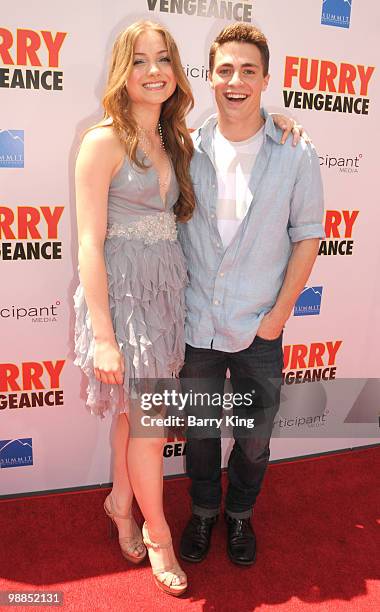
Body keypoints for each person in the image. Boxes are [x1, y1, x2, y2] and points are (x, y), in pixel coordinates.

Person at [74, 19, 305, 596]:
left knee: (135, 418)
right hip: (126, 301)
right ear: (122, 72)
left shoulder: (179, 137)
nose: (153, 71)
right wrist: (103, 335)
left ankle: (121, 504)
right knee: (151, 427)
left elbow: (244, 137)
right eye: (139, 61)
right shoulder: (103, 141)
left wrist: (279, 122)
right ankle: (159, 534)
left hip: (168, 298)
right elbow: (86, 243)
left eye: (162, 60)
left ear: (176, 72)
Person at [178, 23, 324, 567]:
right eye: (224, 70)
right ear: (210, 77)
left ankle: (239, 515)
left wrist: (278, 315)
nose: (235, 80)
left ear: (265, 79)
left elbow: (308, 234)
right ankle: (202, 510)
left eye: (247, 70)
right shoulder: (185, 147)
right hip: (196, 325)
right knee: (197, 434)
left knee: (254, 438)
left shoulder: (294, 151)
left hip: (260, 328)